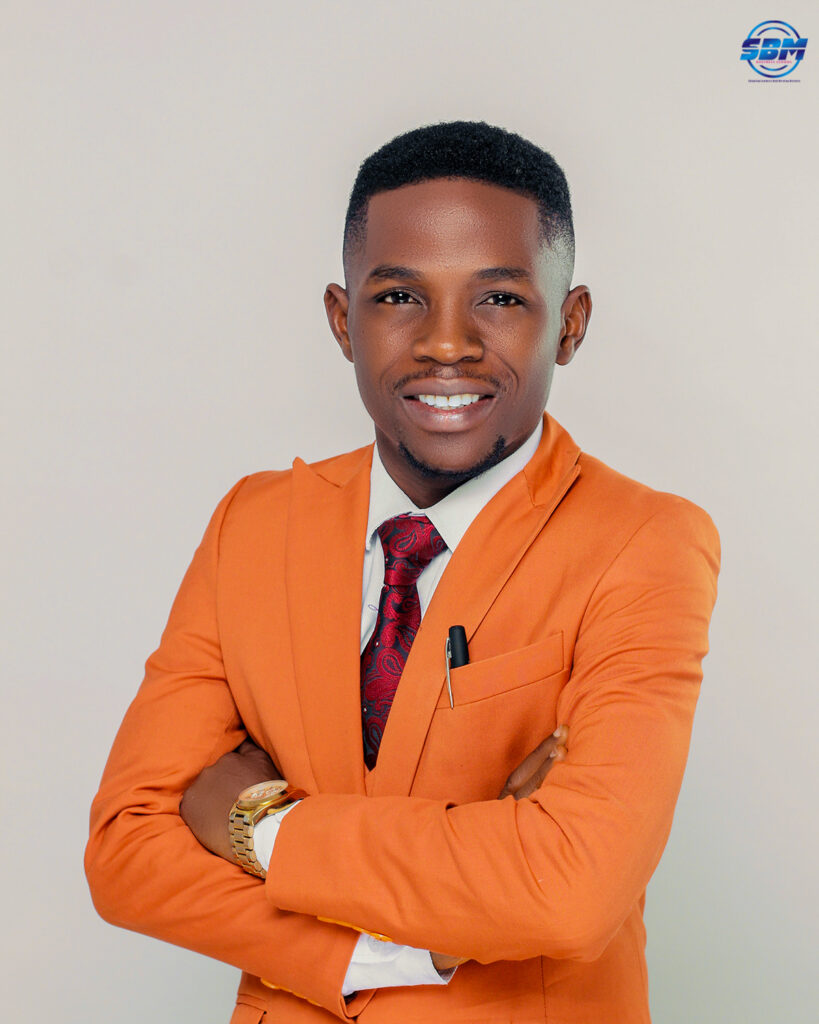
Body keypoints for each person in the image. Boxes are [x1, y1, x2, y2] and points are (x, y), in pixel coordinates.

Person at [85, 120, 720, 1024]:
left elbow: (570, 887)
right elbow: (127, 852)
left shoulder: (644, 540)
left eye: (498, 298)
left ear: (569, 324)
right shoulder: (251, 524)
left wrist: (259, 825)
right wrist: (398, 947)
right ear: (343, 321)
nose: (446, 344)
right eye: (398, 297)